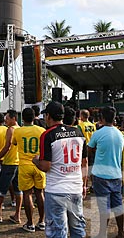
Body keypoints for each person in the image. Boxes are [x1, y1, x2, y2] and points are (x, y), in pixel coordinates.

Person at [33, 102, 88, 238]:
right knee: (78, 229)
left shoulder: (48, 135)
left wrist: (35, 160)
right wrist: (84, 185)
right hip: (75, 188)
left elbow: (46, 166)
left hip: (56, 190)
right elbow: (84, 162)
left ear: (48, 116)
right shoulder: (78, 133)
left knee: (57, 231)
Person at [87, 106, 124, 238]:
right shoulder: (120, 134)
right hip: (116, 175)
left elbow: (89, 150)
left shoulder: (98, 133)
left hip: (100, 175)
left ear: (102, 118)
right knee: (118, 206)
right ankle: (120, 232)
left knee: (104, 207)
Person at [12, 107, 46, 232]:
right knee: (40, 193)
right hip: (39, 165)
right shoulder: (42, 130)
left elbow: (14, 143)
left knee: (27, 194)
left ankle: (30, 223)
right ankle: (42, 221)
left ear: (23, 118)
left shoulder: (18, 131)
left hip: (24, 165)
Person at [0, 110, 22, 226]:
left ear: (13, 118)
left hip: (9, 162)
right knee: (18, 190)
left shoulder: (11, 129)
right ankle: (17, 215)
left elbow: (7, 147)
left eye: (8, 118)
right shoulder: (20, 129)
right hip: (18, 162)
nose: (6, 120)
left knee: (1, 189)